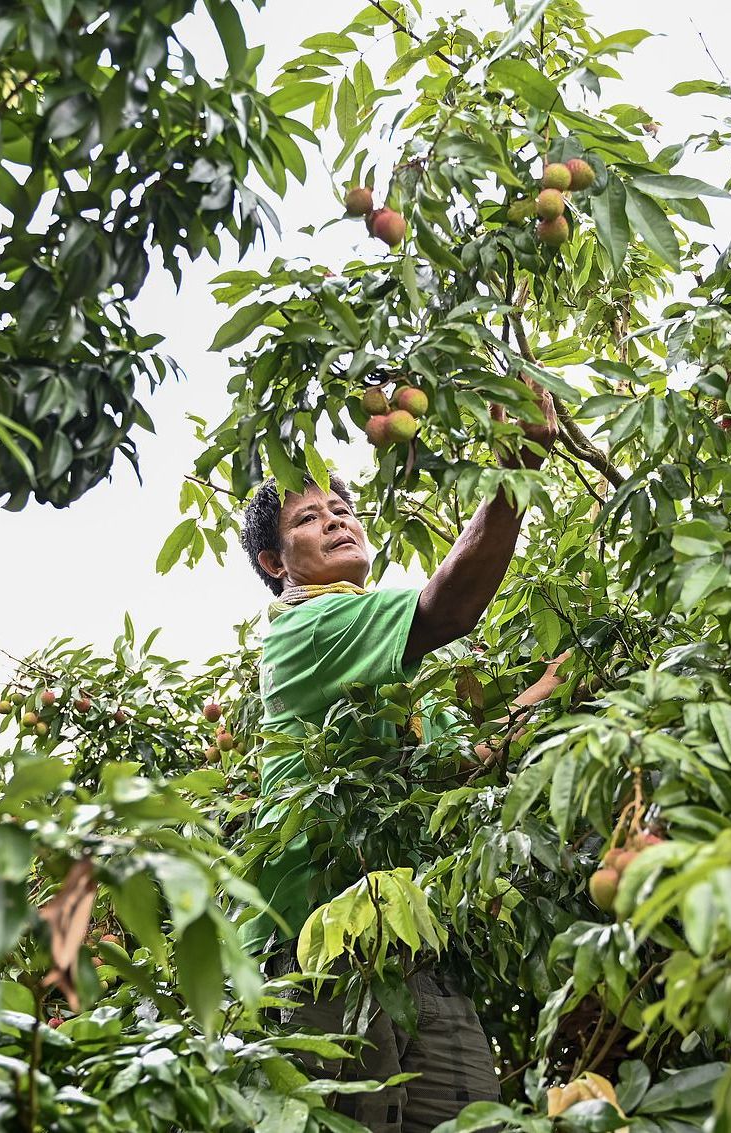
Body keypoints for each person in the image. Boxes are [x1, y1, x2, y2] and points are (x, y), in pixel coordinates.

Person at [236, 389, 561, 1133]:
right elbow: (449, 607)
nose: (336, 520)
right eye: (308, 519)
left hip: (410, 941)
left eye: (342, 509)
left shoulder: (395, 669)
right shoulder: (308, 624)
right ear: (274, 562)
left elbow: (460, 762)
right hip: (318, 944)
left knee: (475, 1117)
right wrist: (513, 470)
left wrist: (550, 688)